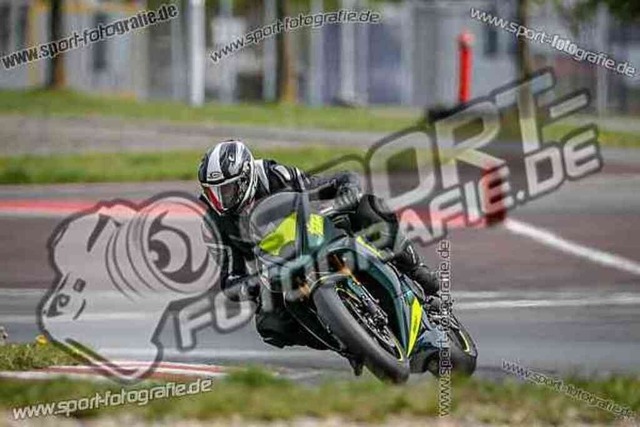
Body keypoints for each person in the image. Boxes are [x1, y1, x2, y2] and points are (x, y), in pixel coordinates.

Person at [198, 140, 440, 350]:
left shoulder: (274, 174)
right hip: (276, 270)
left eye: (226, 190)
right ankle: (345, 342)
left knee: (370, 208)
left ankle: (415, 270)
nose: (219, 200)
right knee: (270, 326)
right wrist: (251, 286)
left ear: (245, 178)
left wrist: (347, 192)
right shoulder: (213, 222)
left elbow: (334, 181)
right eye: (211, 192)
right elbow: (229, 280)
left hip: (312, 235)